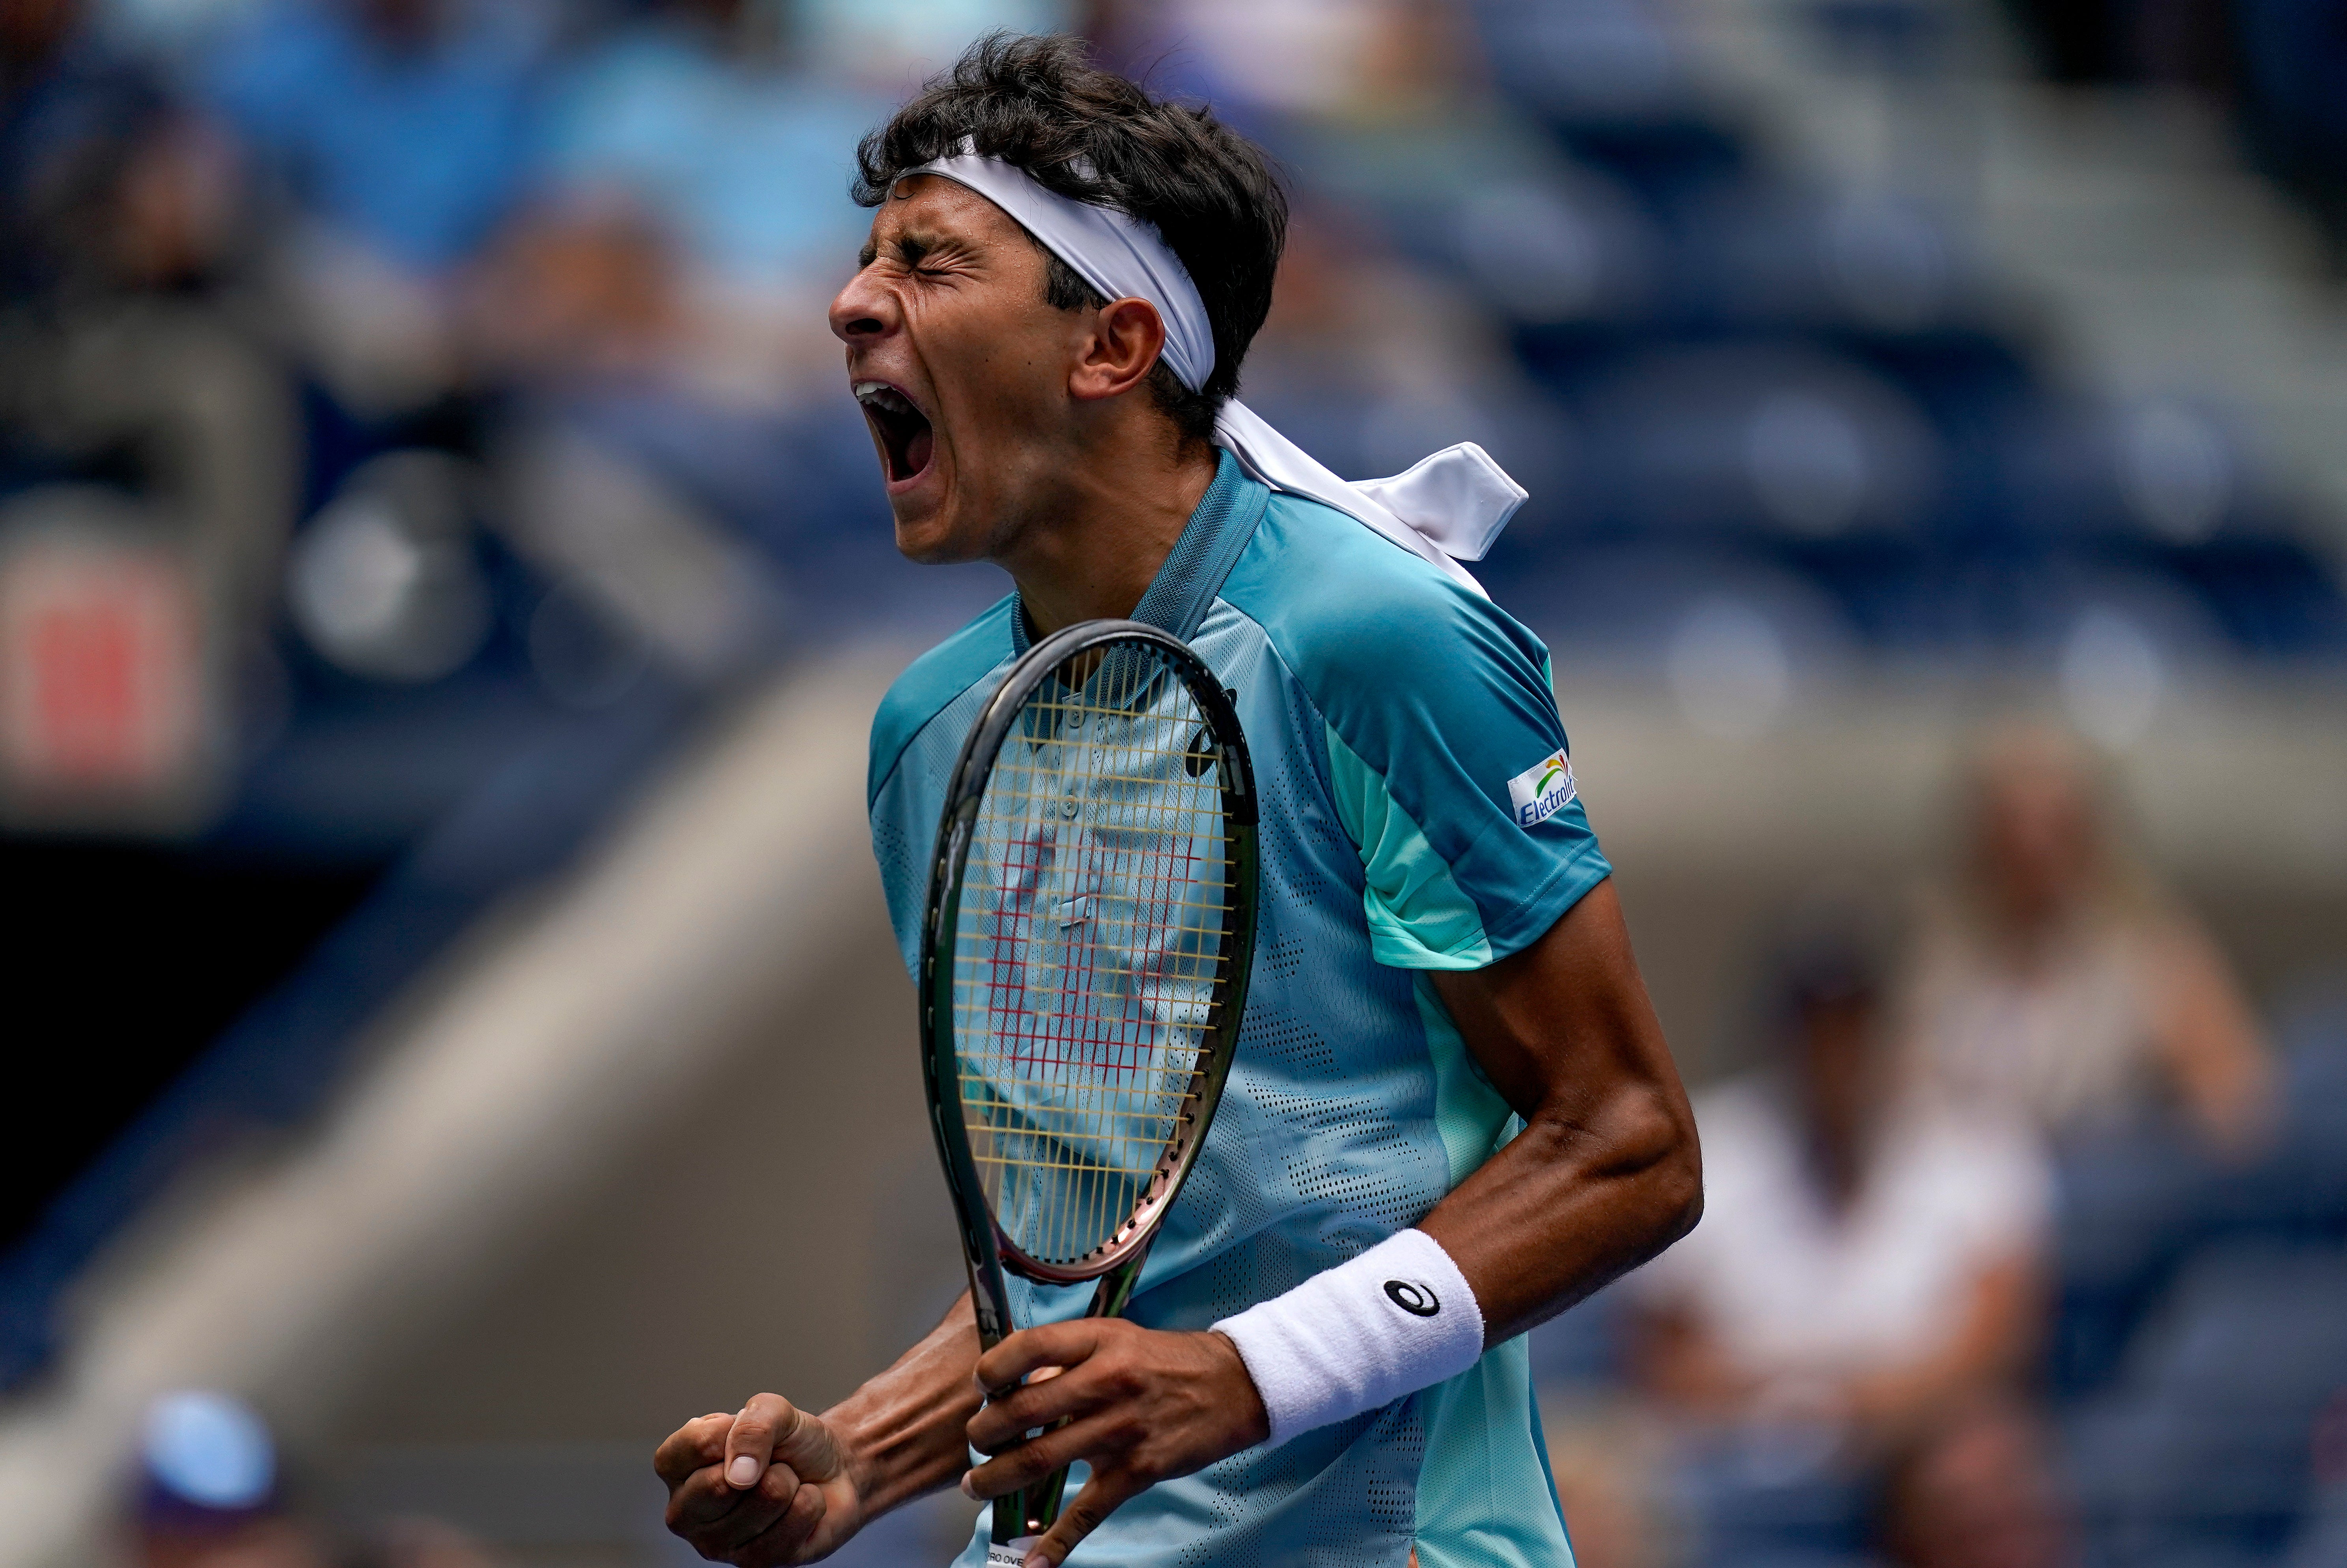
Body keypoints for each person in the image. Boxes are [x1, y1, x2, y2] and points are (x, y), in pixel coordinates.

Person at [652, 32, 1701, 1568]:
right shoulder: (929, 737)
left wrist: (1250, 1376)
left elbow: (1626, 1144)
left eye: (930, 264)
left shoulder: (1377, 640)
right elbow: (1079, 1263)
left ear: (1112, 347)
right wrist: (858, 1459)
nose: (849, 300)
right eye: (865, 260)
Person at [1627, 913, 2062, 1568]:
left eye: (1854, 1022)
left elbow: (1995, 1340)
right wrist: (1820, 1400)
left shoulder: (1973, 1142)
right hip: (1733, 1461)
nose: (1836, 1049)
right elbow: (1664, 1358)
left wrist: (1854, 1403)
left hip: (1919, 1445)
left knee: (1979, 1475)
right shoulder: (1708, 1147)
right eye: (1816, 1024)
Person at [1901, 722, 2272, 1153]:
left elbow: (2239, 1106)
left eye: (2054, 827)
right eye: (2013, 826)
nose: (2033, 849)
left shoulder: (2147, 949)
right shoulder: (1938, 957)